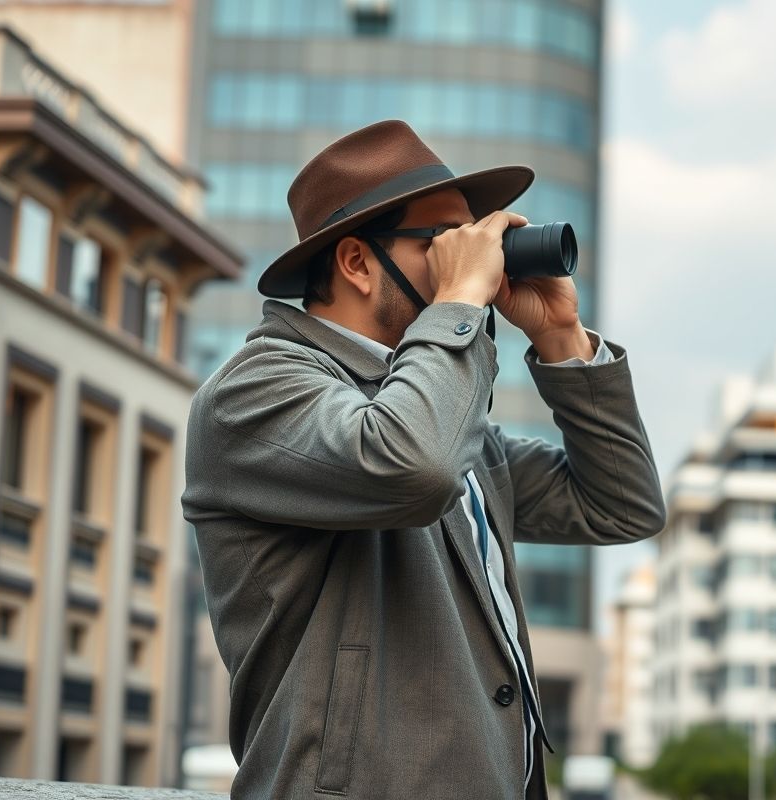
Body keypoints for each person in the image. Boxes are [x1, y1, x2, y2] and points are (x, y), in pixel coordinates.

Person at [181, 120, 667, 800]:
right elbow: (415, 466)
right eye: (443, 239)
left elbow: (621, 505)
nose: (474, 259)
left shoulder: (443, 419)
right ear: (356, 262)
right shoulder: (254, 390)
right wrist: (459, 301)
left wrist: (561, 338)